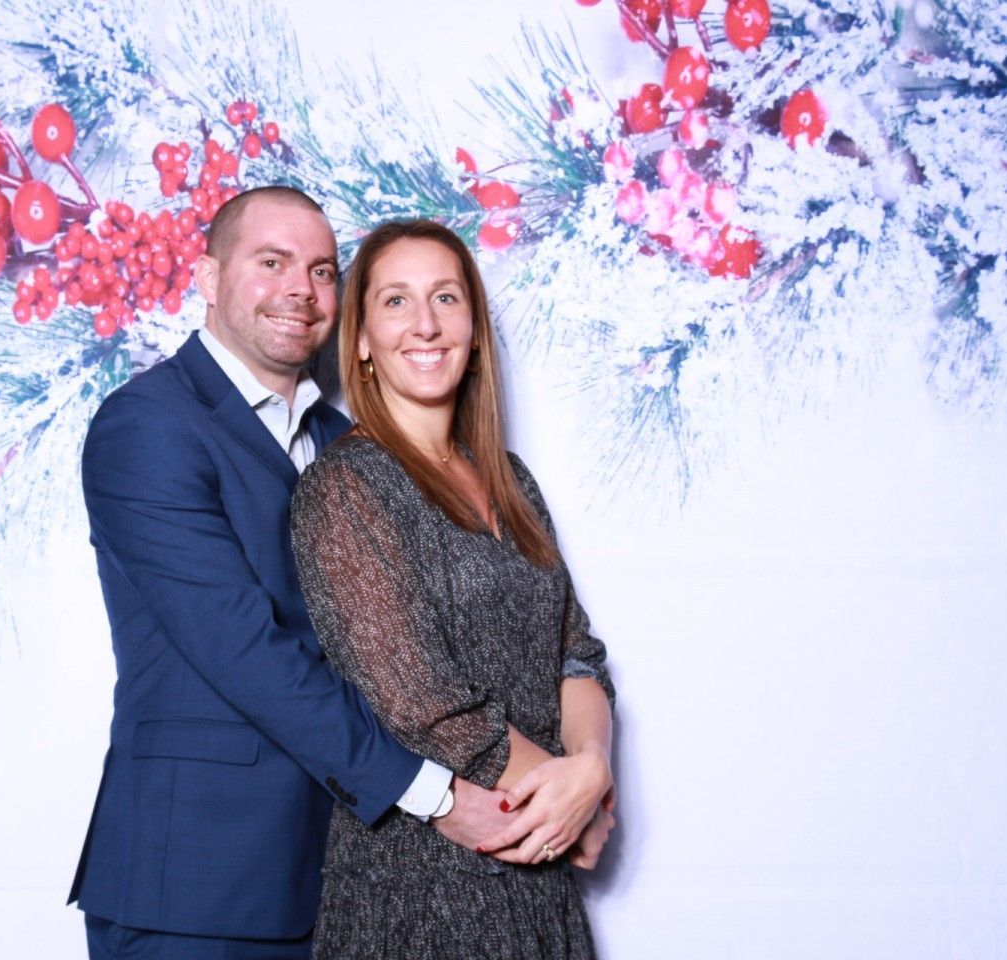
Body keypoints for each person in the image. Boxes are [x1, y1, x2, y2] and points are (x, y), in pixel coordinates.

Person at [70, 188, 525, 960]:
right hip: (198, 886)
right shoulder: (147, 426)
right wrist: (439, 795)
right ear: (210, 279)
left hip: (349, 882)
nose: (300, 290)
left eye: (321, 271)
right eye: (271, 262)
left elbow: (412, 644)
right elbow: (245, 651)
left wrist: (555, 781)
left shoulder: (344, 438)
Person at [290, 219, 618, 960]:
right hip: (422, 883)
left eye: (446, 297)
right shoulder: (345, 487)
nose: (427, 324)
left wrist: (592, 772)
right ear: (363, 339)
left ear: (474, 331)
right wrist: (572, 798)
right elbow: (423, 707)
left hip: (540, 864)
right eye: (397, 302)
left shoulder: (511, 478)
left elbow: (578, 655)